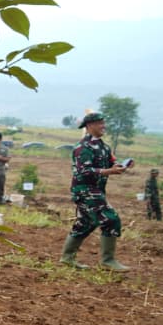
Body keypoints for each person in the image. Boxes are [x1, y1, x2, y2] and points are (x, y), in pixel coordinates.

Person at [60, 112, 129, 271]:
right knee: (111, 219)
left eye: (103, 123)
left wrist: (120, 166)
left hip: (96, 190)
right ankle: (108, 261)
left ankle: (67, 258)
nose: (103, 126)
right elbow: (84, 172)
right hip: (84, 190)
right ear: (89, 126)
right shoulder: (82, 148)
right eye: (99, 123)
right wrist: (109, 171)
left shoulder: (104, 147)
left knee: (86, 223)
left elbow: (111, 162)